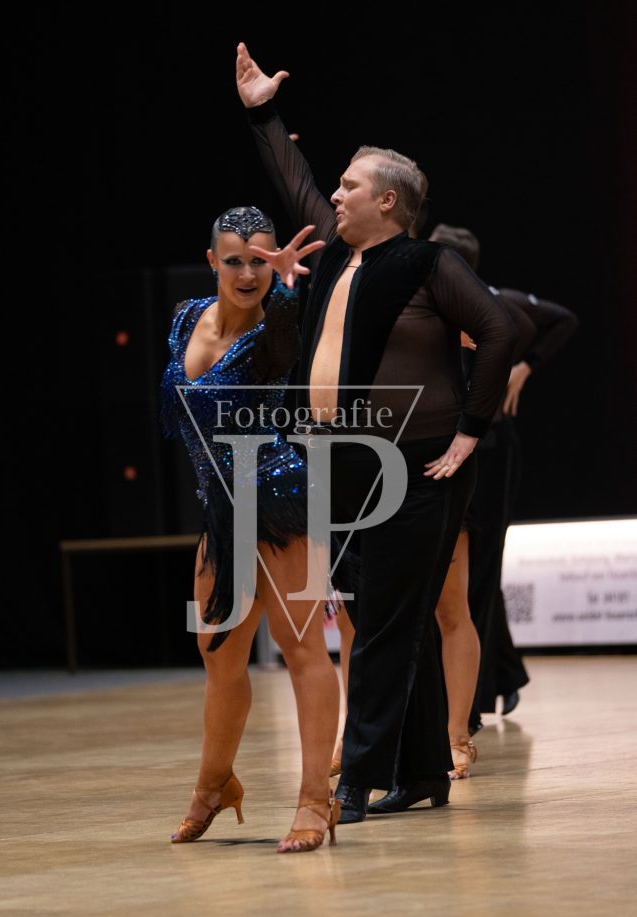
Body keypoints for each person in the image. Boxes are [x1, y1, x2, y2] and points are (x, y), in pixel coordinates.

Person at [236, 43, 517, 823]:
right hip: (346, 462)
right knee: (388, 618)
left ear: (386, 202)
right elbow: (293, 180)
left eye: (349, 185)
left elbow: (499, 329)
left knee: (383, 627)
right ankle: (422, 771)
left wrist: (470, 430)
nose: (334, 194)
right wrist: (263, 113)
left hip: (417, 466)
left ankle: (352, 781)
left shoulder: (425, 263)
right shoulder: (338, 257)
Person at [160, 206, 342, 854]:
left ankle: (315, 799)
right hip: (218, 510)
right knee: (218, 655)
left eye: (260, 261)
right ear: (212, 260)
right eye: (234, 260)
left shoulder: (275, 327)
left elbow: (286, 348)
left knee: (301, 649)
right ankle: (213, 785)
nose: (247, 274)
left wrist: (288, 289)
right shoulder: (185, 317)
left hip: (278, 501)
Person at [428, 224, 579, 728]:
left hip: (491, 448)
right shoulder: (436, 310)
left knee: (480, 567)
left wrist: (523, 367)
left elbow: (560, 320)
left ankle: (469, 700)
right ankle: (503, 674)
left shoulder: (492, 306)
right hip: (453, 448)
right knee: (464, 571)